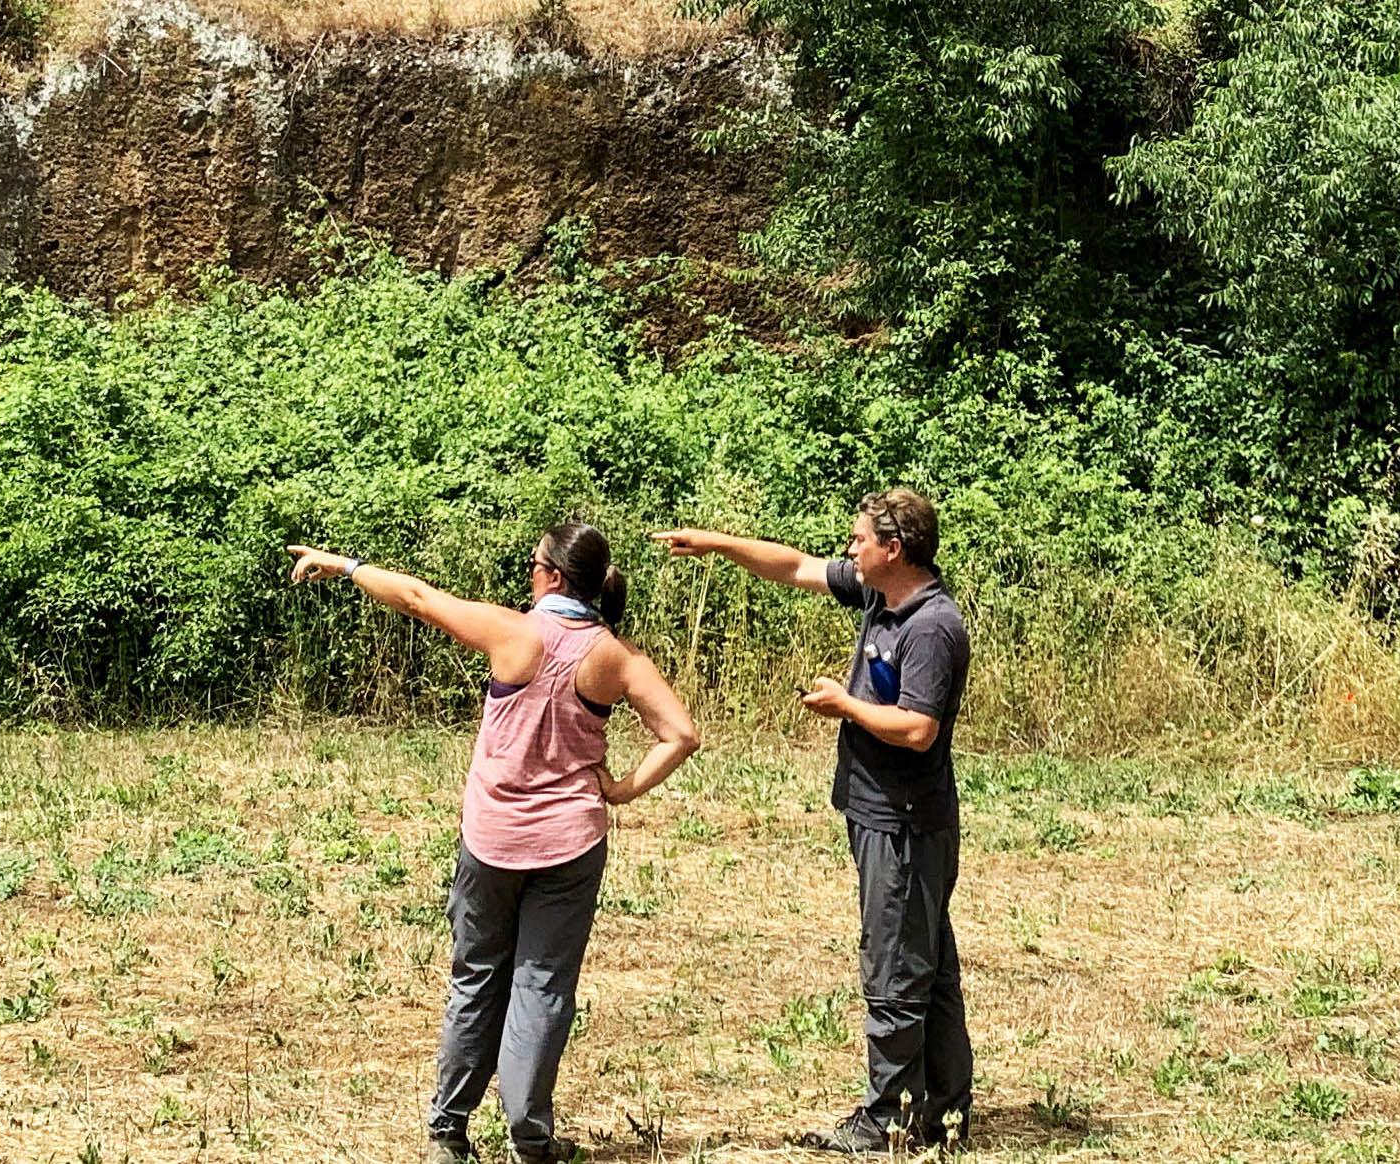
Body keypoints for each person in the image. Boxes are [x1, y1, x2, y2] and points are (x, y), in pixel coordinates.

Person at [290, 523, 704, 1164]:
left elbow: (418, 599)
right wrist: (620, 789)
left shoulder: (517, 632)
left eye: (534, 563)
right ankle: (529, 1138)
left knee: (476, 978)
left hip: (492, 840)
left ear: (554, 577)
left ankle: (447, 1131)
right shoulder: (615, 657)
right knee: (542, 987)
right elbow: (679, 733)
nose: (529, 570)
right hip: (570, 845)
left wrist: (345, 566)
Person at [656, 490, 972, 1153]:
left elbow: (918, 728)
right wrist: (717, 543)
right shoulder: (877, 593)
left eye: (860, 540)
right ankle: (941, 1111)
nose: (850, 549)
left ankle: (886, 1121)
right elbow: (794, 566)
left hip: (906, 823)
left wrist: (845, 705)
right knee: (925, 964)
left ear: (895, 549)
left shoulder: (931, 626)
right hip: (878, 813)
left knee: (897, 970)